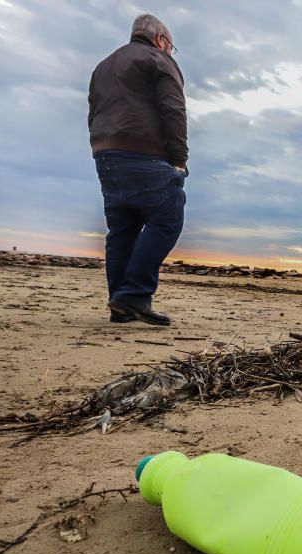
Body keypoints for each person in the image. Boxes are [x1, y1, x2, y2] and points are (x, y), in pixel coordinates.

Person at [88, 14, 188, 326]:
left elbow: (93, 111)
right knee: (168, 213)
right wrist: (179, 158)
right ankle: (133, 294)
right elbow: (174, 109)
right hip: (143, 153)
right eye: (171, 46)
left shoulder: (104, 66)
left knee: (123, 228)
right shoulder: (158, 60)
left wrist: (101, 147)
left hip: (106, 154)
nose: (170, 51)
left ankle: (122, 303)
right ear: (161, 39)